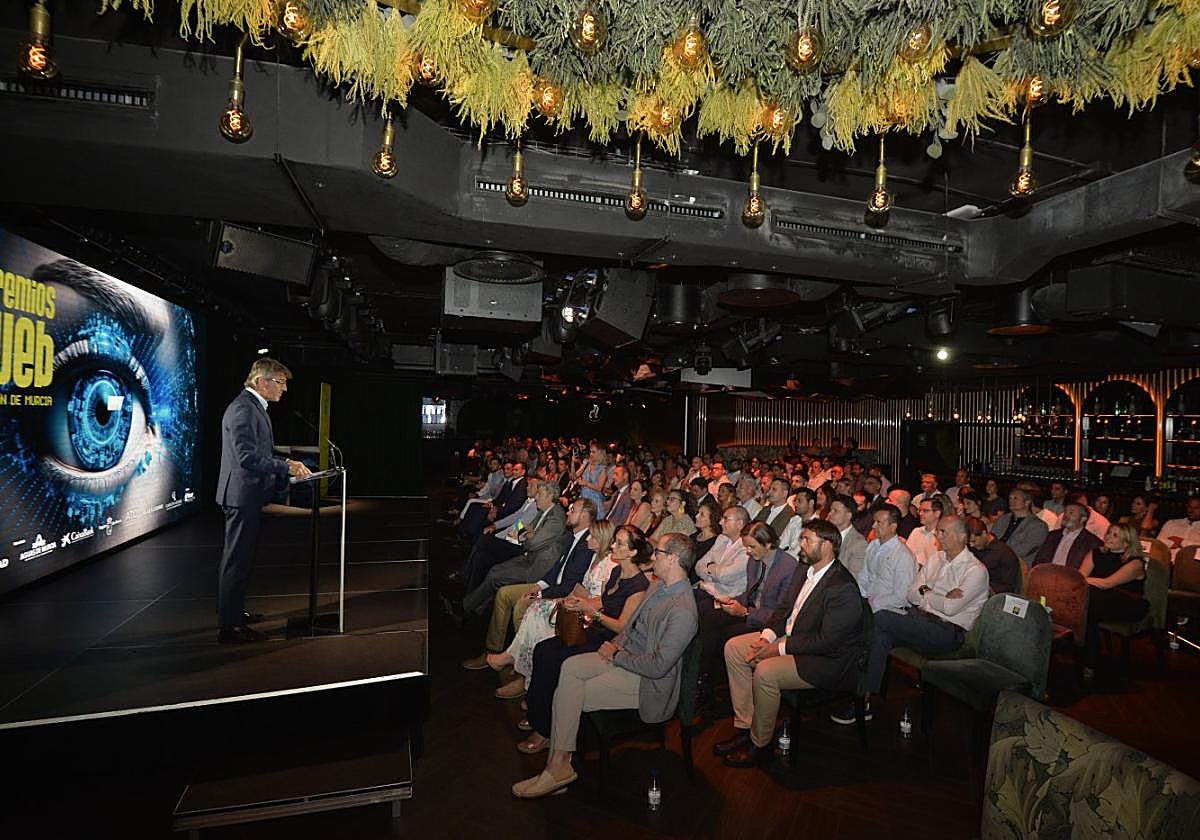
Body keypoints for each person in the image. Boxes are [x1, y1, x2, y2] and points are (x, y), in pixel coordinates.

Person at [511, 533, 699, 799]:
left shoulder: (683, 609)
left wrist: (616, 655)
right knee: (568, 667)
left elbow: (658, 667)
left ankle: (556, 767)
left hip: (648, 683)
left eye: (657, 552)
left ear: (672, 559)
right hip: (626, 658)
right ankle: (559, 763)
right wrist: (616, 644)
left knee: (570, 692)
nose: (652, 556)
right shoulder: (658, 585)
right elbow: (630, 627)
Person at [718, 519, 863, 767]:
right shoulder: (802, 570)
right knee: (734, 648)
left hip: (824, 660)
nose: (801, 545)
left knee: (765, 672)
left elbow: (827, 642)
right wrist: (766, 638)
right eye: (801, 539)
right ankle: (746, 724)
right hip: (793, 638)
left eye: (807, 540)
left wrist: (776, 649)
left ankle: (759, 743)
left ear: (827, 545)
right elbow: (783, 610)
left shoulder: (842, 587)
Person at [838, 515, 988, 725]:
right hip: (919, 619)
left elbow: (950, 608)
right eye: (938, 531)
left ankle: (851, 684)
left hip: (947, 632)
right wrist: (937, 594)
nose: (937, 535)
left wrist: (926, 591)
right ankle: (864, 699)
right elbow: (911, 594)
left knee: (880, 618)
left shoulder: (976, 570)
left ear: (962, 537)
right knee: (880, 635)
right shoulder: (936, 559)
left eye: (944, 532)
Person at [516, 526, 652, 753]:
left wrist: (592, 610)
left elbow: (622, 626)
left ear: (632, 553)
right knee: (543, 649)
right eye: (615, 542)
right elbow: (605, 601)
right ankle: (538, 713)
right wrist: (578, 603)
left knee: (554, 659)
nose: (612, 546)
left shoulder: (639, 586)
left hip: (611, 640)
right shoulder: (618, 572)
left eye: (619, 544)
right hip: (596, 630)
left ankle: (545, 729)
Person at [215, 358, 311, 643]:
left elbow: (258, 452)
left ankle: (232, 611)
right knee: (236, 561)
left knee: (242, 560)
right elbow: (246, 458)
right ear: (261, 382)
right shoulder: (243, 409)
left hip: (247, 494)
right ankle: (229, 628)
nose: (283, 389)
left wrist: (285, 462)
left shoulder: (254, 407)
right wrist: (286, 466)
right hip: (241, 495)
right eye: (280, 383)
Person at [486, 521, 616, 700]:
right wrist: (563, 598)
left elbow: (601, 600)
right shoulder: (595, 557)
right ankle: (517, 660)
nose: (589, 539)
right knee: (535, 608)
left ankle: (525, 675)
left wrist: (571, 600)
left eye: (593, 536)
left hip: (585, 616)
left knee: (538, 614)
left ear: (602, 540)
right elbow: (576, 586)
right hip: (576, 603)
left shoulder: (609, 565)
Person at [461, 498, 594, 670]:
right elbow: (555, 567)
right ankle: (492, 650)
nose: (568, 511)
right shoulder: (568, 533)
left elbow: (568, 583)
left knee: (519, 602)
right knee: (503, 592)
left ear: (584, 515)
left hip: (553, 585)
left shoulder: (583, 540)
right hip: (542, 574)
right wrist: (539, 585)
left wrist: (539, 593)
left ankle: (521, 663)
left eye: (572, 509)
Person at [1083, 523, 1149, 672]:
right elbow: (1080, 577)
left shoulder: (1135, 562)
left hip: (1127, 602)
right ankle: (1085, 656)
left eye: (1115, 535)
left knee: (1087, 605)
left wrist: (1083, 580)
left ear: (1126, 542)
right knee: (1085, 605)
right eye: (1109, 533)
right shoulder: (1095, 553)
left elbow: (1108, 583)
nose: (1108, 536)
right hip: (1098, 597)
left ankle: (1090, 661)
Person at [857, 504, 917, 613]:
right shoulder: (873, 545)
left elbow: (902, 595)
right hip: (869, 605)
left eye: (879, 523)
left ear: (893, 526)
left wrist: (872, 605)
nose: (873, 526)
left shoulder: (902, 555)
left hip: (891, 611)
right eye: (874, 522)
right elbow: (864, 576)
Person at [695, 506, 751, 604]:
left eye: (726, 519)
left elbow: (724, 576)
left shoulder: (747, 548)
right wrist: (715, 572)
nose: (720, 522)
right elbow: (698, 566)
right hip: (707, 590)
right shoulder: (721, 539)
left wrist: (709, 567)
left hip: (727, 599)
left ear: (739, 524)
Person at [1032, 500, 1102, 572]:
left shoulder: (1092, 542)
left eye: (1071, 512)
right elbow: (1039, 559)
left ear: (1083, 519)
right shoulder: (1053, 535)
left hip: (1071, 579)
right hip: (1047, 575)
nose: (1066, 515)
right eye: (1065, 512)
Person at [991, 488, 1049, 567]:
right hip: (996, 560)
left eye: (1015, 498)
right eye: (1010, 498)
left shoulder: (1039, 526)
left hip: (1018, 566)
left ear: (1027, 502)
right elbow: (991, 538)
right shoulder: (1003, 519)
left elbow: (1022, 551)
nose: (1011, 501)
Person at [966, 515, 1021, 594]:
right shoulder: (971, 548)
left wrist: (986, 589)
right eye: (969, 542)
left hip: (989, 595)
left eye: (973, 541)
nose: (971, 545)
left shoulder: (1005, 554)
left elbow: (1009, 586)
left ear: (984, 533)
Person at [828, 494, 867, 579]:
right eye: (830, 510)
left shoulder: (858, 543)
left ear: (848, 516)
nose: (830, 513)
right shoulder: (825, 535)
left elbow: (852, 578)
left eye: (835, 511)